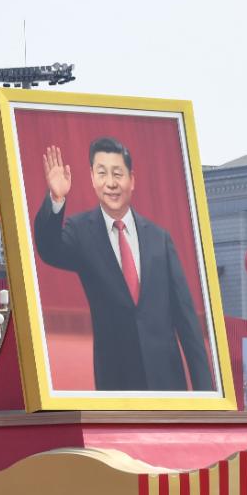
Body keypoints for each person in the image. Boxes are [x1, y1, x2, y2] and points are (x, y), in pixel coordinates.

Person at [33, 137, 212, 391]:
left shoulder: (159, 238)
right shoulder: (81, 231)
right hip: (116, 380)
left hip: (167, 381)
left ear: (132, 180)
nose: (111, 183)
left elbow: (186, 320)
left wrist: (207, 395)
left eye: (118, 173)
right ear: (93, 179)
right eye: (102, 173)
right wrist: (56, 198)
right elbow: (49, 250)